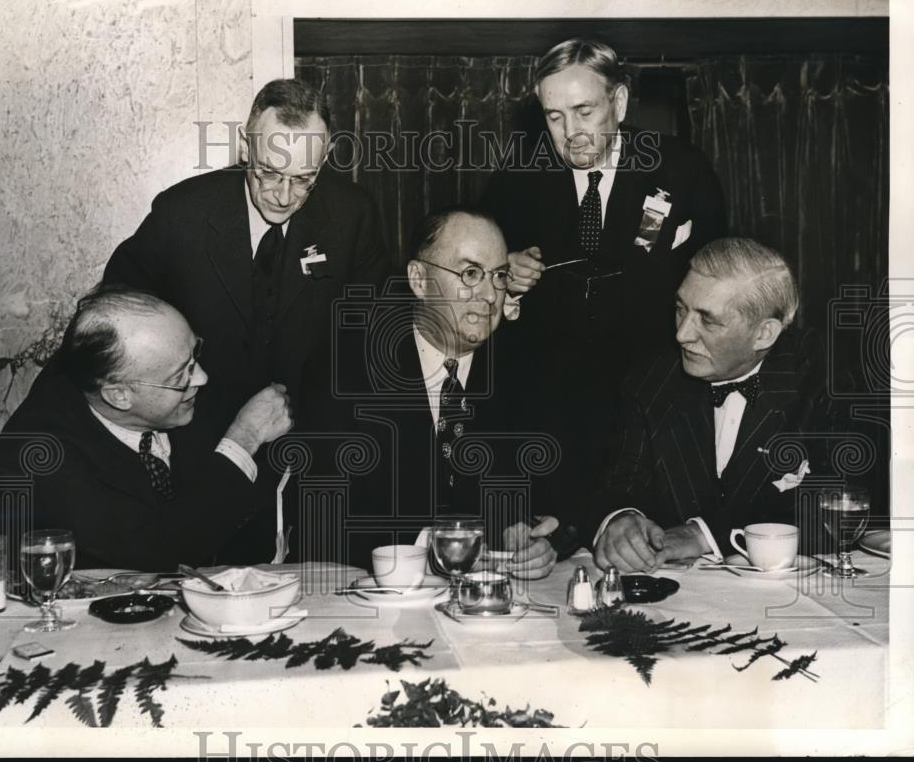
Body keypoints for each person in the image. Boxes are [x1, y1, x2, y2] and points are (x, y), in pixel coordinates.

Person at [482, 38, 728, 516]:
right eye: (555, 116)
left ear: (619, 101)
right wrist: (503, 270)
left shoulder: (682, 170)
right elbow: (474, 279)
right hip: (550, 413)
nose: (571, 132)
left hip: (653, 404)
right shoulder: (515, 179)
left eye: (584, 111)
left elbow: (716, 277)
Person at [291, 207, 561, 578]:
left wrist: (532, 536)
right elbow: (323, 520)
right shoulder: (345, 371)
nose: (490, 295)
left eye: (499, 276)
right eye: (470, 273)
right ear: (419, 280)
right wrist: (434, 549)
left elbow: (551, 495)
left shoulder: (525, 370)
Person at [103, 78, 390, 422]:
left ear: (325, 157)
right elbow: (112, 315)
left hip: (311, 430)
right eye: (269, 172)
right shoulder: (181, 214)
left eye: (303, 179)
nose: (283, 196)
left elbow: (369, 339)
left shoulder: (352, 215)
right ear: (244, 147)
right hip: (199, 430)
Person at [0, 286, 293, 572]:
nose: (202, 377)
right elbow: (158, 553)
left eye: (195, 355)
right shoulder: (41, 455)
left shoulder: (167, 368)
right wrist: (245, 437)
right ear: (119, 396)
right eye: (180, 377)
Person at [587, 238, 848, 572]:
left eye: (707, 320)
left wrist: (705, 535)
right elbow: (621, 480)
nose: (682, 334)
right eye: (681, 308)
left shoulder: (825, 373)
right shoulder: (652, 377)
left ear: (764, 334)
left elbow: (840, 506)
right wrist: (621, 518)